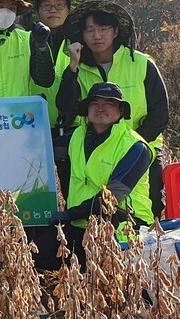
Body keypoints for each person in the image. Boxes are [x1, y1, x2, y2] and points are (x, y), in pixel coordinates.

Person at [56, 1, 169, 218]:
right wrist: (73, 66)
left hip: (143, 148)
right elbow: (65, 106)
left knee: (149, 203)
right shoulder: (78, 67)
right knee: (89, 212)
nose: (96, 36)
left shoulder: (141, 63)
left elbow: (159, 114)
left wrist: (133, 148)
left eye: (103, 29)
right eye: (90, 30)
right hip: (93, 149)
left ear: (115, 32)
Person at [34, 82, 153, 270]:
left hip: (123, 226)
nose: (100, 108)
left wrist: (66, 215)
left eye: (109, 103)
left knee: (102, 276)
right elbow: (38, 148)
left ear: (121, 111)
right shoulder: (75, 136)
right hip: (81, 224)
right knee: (33, 255)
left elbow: (109, 201)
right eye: (95, 103)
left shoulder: (135, 148)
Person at [26, 0, 86, 132]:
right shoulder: (25, 40)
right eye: (46, 6)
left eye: (59, 5)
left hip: (73, 127)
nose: (53, 10)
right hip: (31, 123)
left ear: (68, 9)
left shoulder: (81, 40)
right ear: (37, 11)